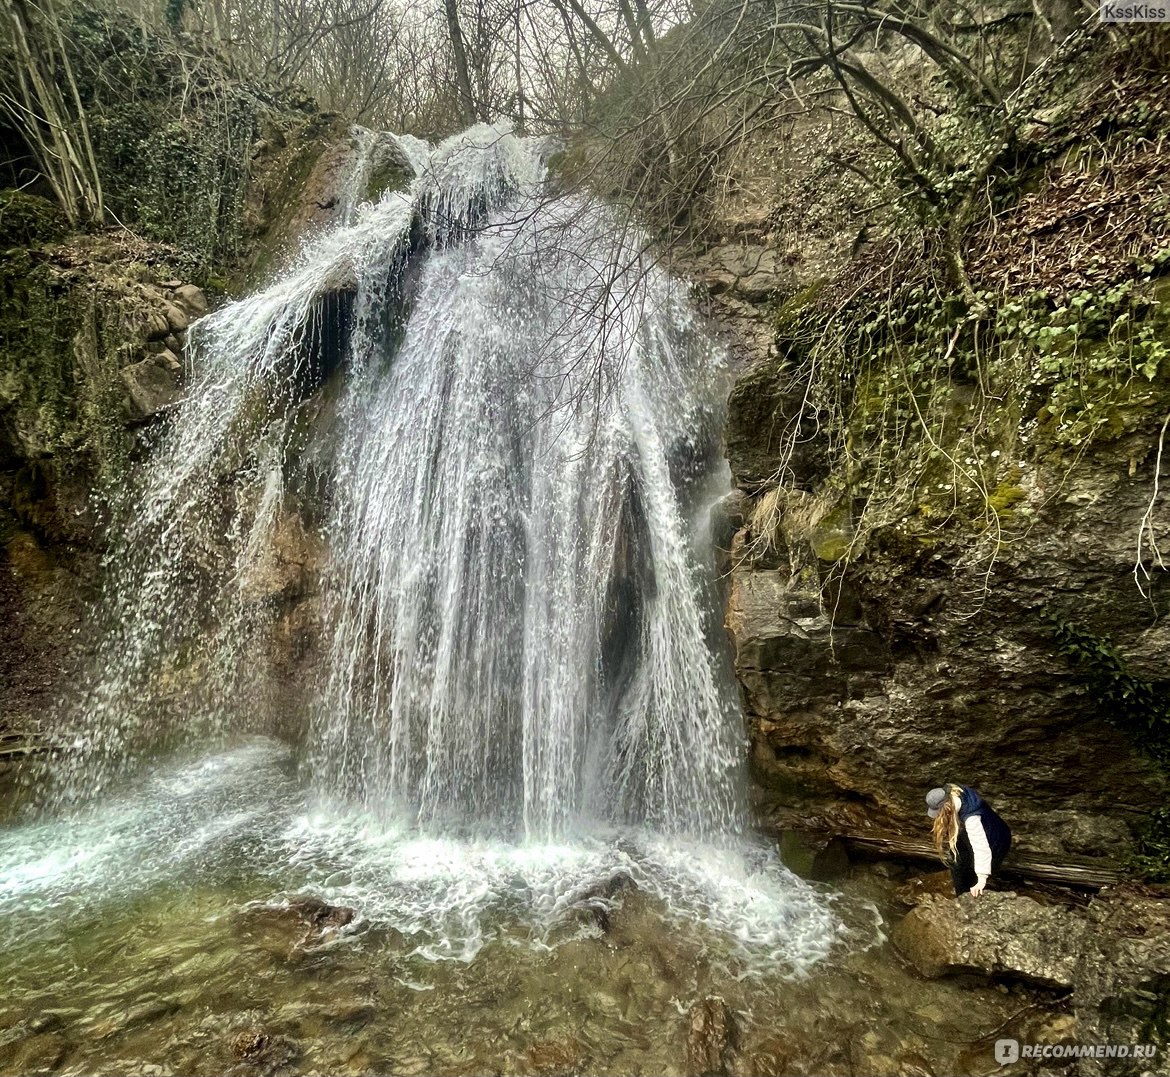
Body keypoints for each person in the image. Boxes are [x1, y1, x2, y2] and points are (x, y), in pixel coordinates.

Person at [926, 783, 1012, 897]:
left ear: (946, 808)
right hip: (989, 827)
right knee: (957, 858)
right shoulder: (952, 791)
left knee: (975, 874)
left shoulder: (972, 819)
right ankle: (961, 895)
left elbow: (981, 847)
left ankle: (971, 895)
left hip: (996, 840)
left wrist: (982, 878)